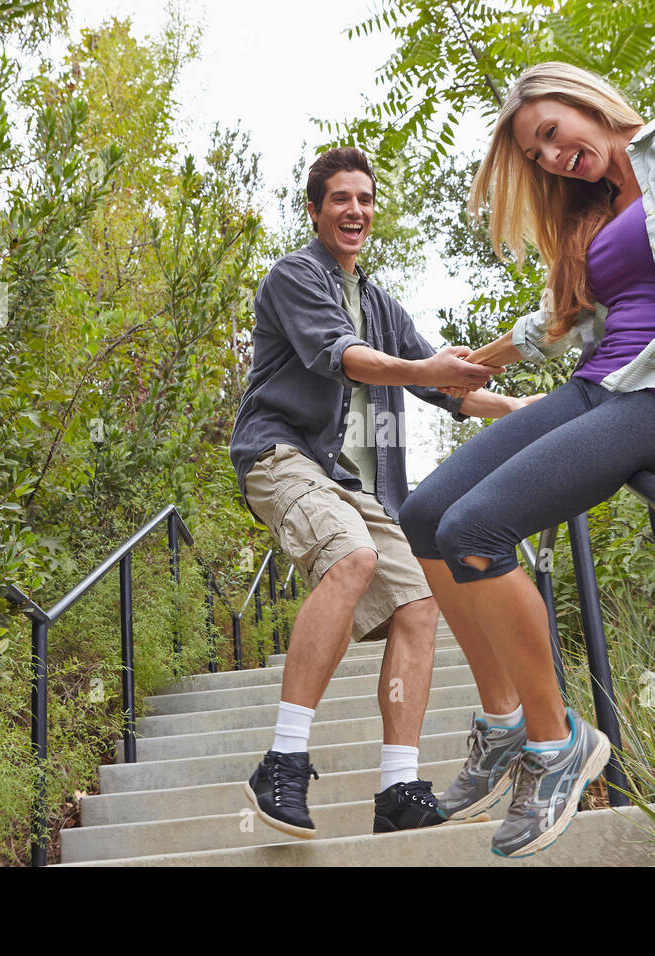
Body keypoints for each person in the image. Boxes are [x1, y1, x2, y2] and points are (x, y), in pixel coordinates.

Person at [398, 62, 655, 858]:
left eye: (550, 133)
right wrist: (484, 360)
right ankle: (504, 723)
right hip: (599, 384)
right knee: (424, 517)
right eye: (537, 156)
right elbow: (563, 318)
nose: (551, 157)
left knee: (478, 530)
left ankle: (558, 741)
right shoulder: (595, 211)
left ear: (585, 103)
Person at [229, 147, 530, 838]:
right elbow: (347, 358)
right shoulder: (295, 278)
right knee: (352, 559)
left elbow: (440, 383)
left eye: (365, 199)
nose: (355, 210)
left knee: (419, 609)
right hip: (281, 455)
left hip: (356, 486)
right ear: (314, 210)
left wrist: (516, 407)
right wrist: (428, 367)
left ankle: (397, 789)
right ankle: (282, 760)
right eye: (340, 198)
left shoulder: (381, 304)